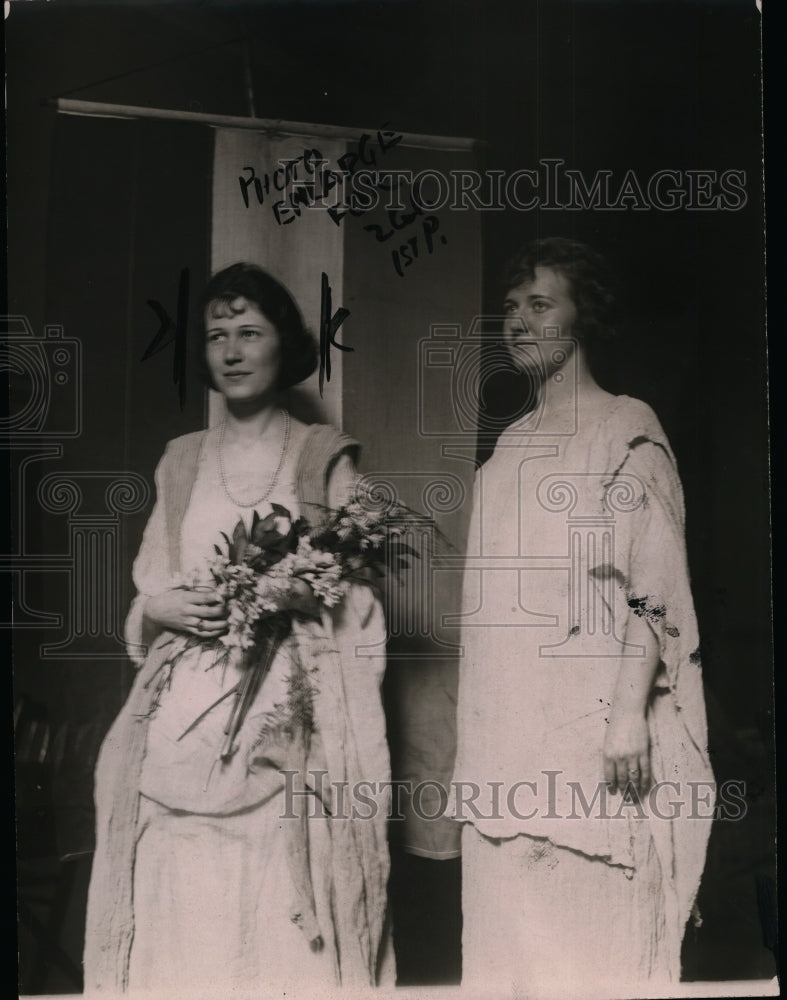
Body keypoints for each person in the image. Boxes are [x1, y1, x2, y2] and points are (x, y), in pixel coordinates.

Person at [83, 263, 393, 993]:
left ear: (283, 345)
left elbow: (359, 610)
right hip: (185, 718)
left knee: (281, 914)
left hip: (286, 718)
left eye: (249, 332)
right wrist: (154, 610)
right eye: (217, 334)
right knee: (184, 910)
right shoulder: (180, 459)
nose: (230, 349)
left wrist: (294, 598)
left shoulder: (323, 455)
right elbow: (151, 587)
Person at [450, 238, 714, 998]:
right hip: (506, 737)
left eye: (541, 305)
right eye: (510, 308)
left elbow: (654, 586)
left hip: (589, 739)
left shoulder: (625, 427)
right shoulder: (504, 450)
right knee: (509, 952)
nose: (519, 322)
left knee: (589, 947)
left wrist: (628, 714)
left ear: (583, 318)